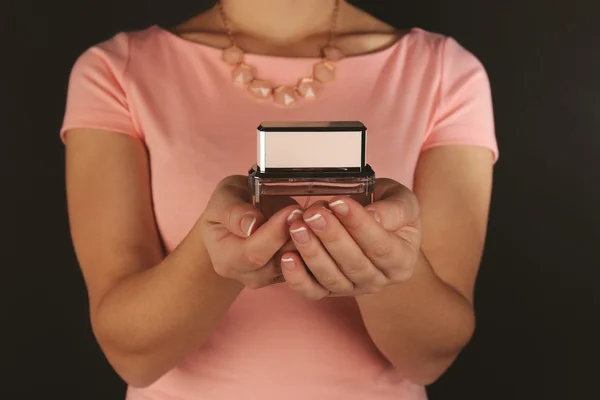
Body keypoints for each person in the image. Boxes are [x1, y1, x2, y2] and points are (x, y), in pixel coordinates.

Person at [60, 0, 498, 399]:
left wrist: (390, 265)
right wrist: (220, 256)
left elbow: (430, 357)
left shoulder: (446, 72)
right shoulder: (117, 70)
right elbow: (132, 356)